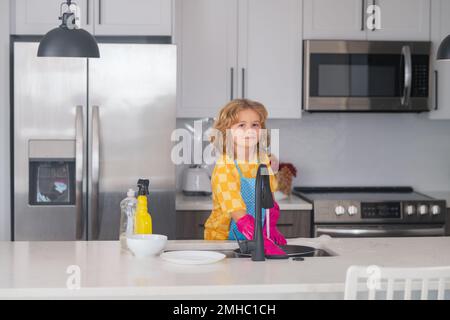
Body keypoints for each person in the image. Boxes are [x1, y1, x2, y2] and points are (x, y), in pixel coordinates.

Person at [204, 99, 287, 256]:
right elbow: (237, 212)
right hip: (224, 243)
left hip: (257, 239)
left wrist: (270, 226)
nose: (249, 130)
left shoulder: (262, 161)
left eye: (255, 125)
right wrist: (259, 240)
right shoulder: (225, 166)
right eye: (241, 125)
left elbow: (269, 199)